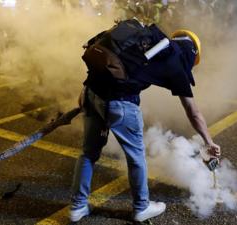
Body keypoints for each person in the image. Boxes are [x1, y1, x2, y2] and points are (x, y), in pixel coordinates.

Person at [70, 22, 221, 223]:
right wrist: (209, 142)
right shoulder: (176, 61)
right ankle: (141, 207)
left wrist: (85, 90)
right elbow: (193, 113)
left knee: (88, 153)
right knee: (136, 157)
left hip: (92, 93)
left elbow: (108, 59)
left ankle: (77, 207)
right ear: (193, 54)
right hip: (120, 102)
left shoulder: (149, 42)